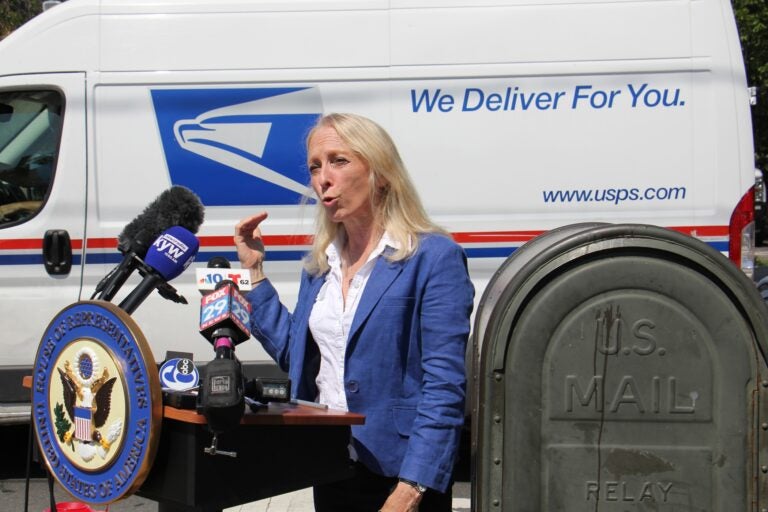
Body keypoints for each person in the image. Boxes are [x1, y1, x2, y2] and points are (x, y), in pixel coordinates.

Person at [234, 113, 474, 512]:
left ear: (380, 172)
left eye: (338, 161)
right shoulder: (320, 265)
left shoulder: (432, 258)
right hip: (333, 466)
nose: (322, 178)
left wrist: (412, 489)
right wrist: (255, 273)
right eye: (314, 166)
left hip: (401, 478)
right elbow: (300, 359)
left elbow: (444, 386)